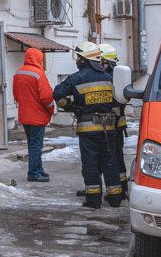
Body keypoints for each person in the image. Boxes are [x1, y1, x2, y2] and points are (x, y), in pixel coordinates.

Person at [54, 42, 124, 209]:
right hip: (108, 130)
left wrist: (71, 106)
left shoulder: (76, 78)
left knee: (91, 165)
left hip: (88, 130)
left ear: (85, 59)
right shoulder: (109, 78)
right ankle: (115, 199)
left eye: (79, 57)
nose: (77, 61)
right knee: (110, 163)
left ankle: (93, 201)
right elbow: (117, 103)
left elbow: (57, 94)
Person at [12, 47, 55, 183]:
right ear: (39, 59)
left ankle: (38, 169)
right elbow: (47, 97)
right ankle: (34, 173)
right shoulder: (38, 74)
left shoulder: (19, 72)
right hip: (37, 116)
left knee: (32, 144)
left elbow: (16, 95)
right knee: (36, 145)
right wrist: (51, 110)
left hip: (25, 115)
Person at [99, 44, 130, 204]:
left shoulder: (111, 77)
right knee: (116, 157)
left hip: (113, 125)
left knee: (114, 157)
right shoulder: (113, 75)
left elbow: (117, 103)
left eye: (101, 60)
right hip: (115, 124)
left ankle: (119, 188)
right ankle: (122, 187)